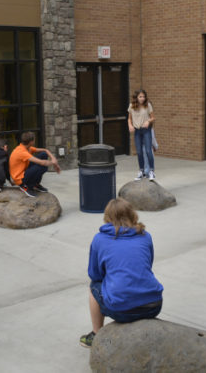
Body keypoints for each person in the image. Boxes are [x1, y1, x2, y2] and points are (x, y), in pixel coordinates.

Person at [79, 198, 163, 348]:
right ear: (132, 214)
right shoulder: (145, 236)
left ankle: (97, 335)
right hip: (154, 305)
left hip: (122, 310)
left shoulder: (100, 239)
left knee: (94, 287)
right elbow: (147, 265)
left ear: (107, 216)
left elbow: (95, 274)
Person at [9, 131, 61, 197]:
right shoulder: (21, 152)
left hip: (23, 170)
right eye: (34, 140)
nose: (35, 141)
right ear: (31, 142)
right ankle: (26, 186)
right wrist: (53, 163)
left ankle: (35, 184)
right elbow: (42, 162)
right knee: (42, 167)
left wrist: (54, 161)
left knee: (43, 155)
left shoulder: (27, 148)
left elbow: (45, 150)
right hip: (19, 178)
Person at [127, 89, 156, 181]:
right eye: (140, 97)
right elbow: (129, 119)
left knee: (148, 151)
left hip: (146, 130)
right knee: (139, 152)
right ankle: (141, 171)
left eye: (143, 96)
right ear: (136, 97)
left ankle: (151, 171)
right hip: (137, 131)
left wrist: (148, 121)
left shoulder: (148, 105)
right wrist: (130, 125)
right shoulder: (132, 106)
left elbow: (153, 118)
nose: (142, 98)